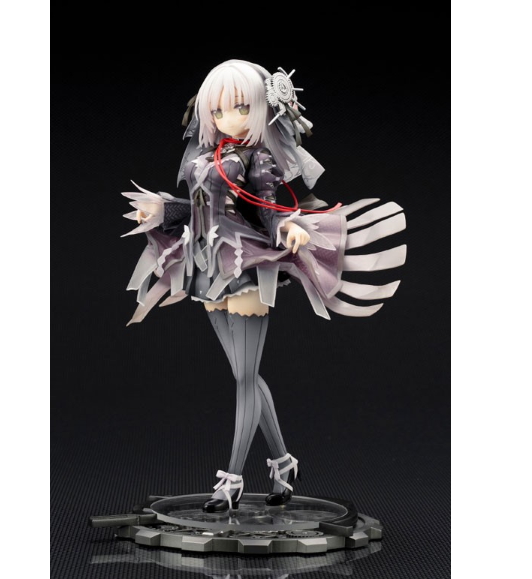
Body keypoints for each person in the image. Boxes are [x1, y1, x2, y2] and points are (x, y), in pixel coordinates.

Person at [122, 59, 406, 512]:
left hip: (246, 265)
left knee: (244, 378)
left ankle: (232, 479)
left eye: (239, 107)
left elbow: (269, 209)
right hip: (207, 267)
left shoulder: (259, 159)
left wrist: (288, 226)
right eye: (217, 110)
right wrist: (162, 210)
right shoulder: (204, 156)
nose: (227, 118)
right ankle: (284, 463)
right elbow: (198, 208)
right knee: (246, 376)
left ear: (260, 108)